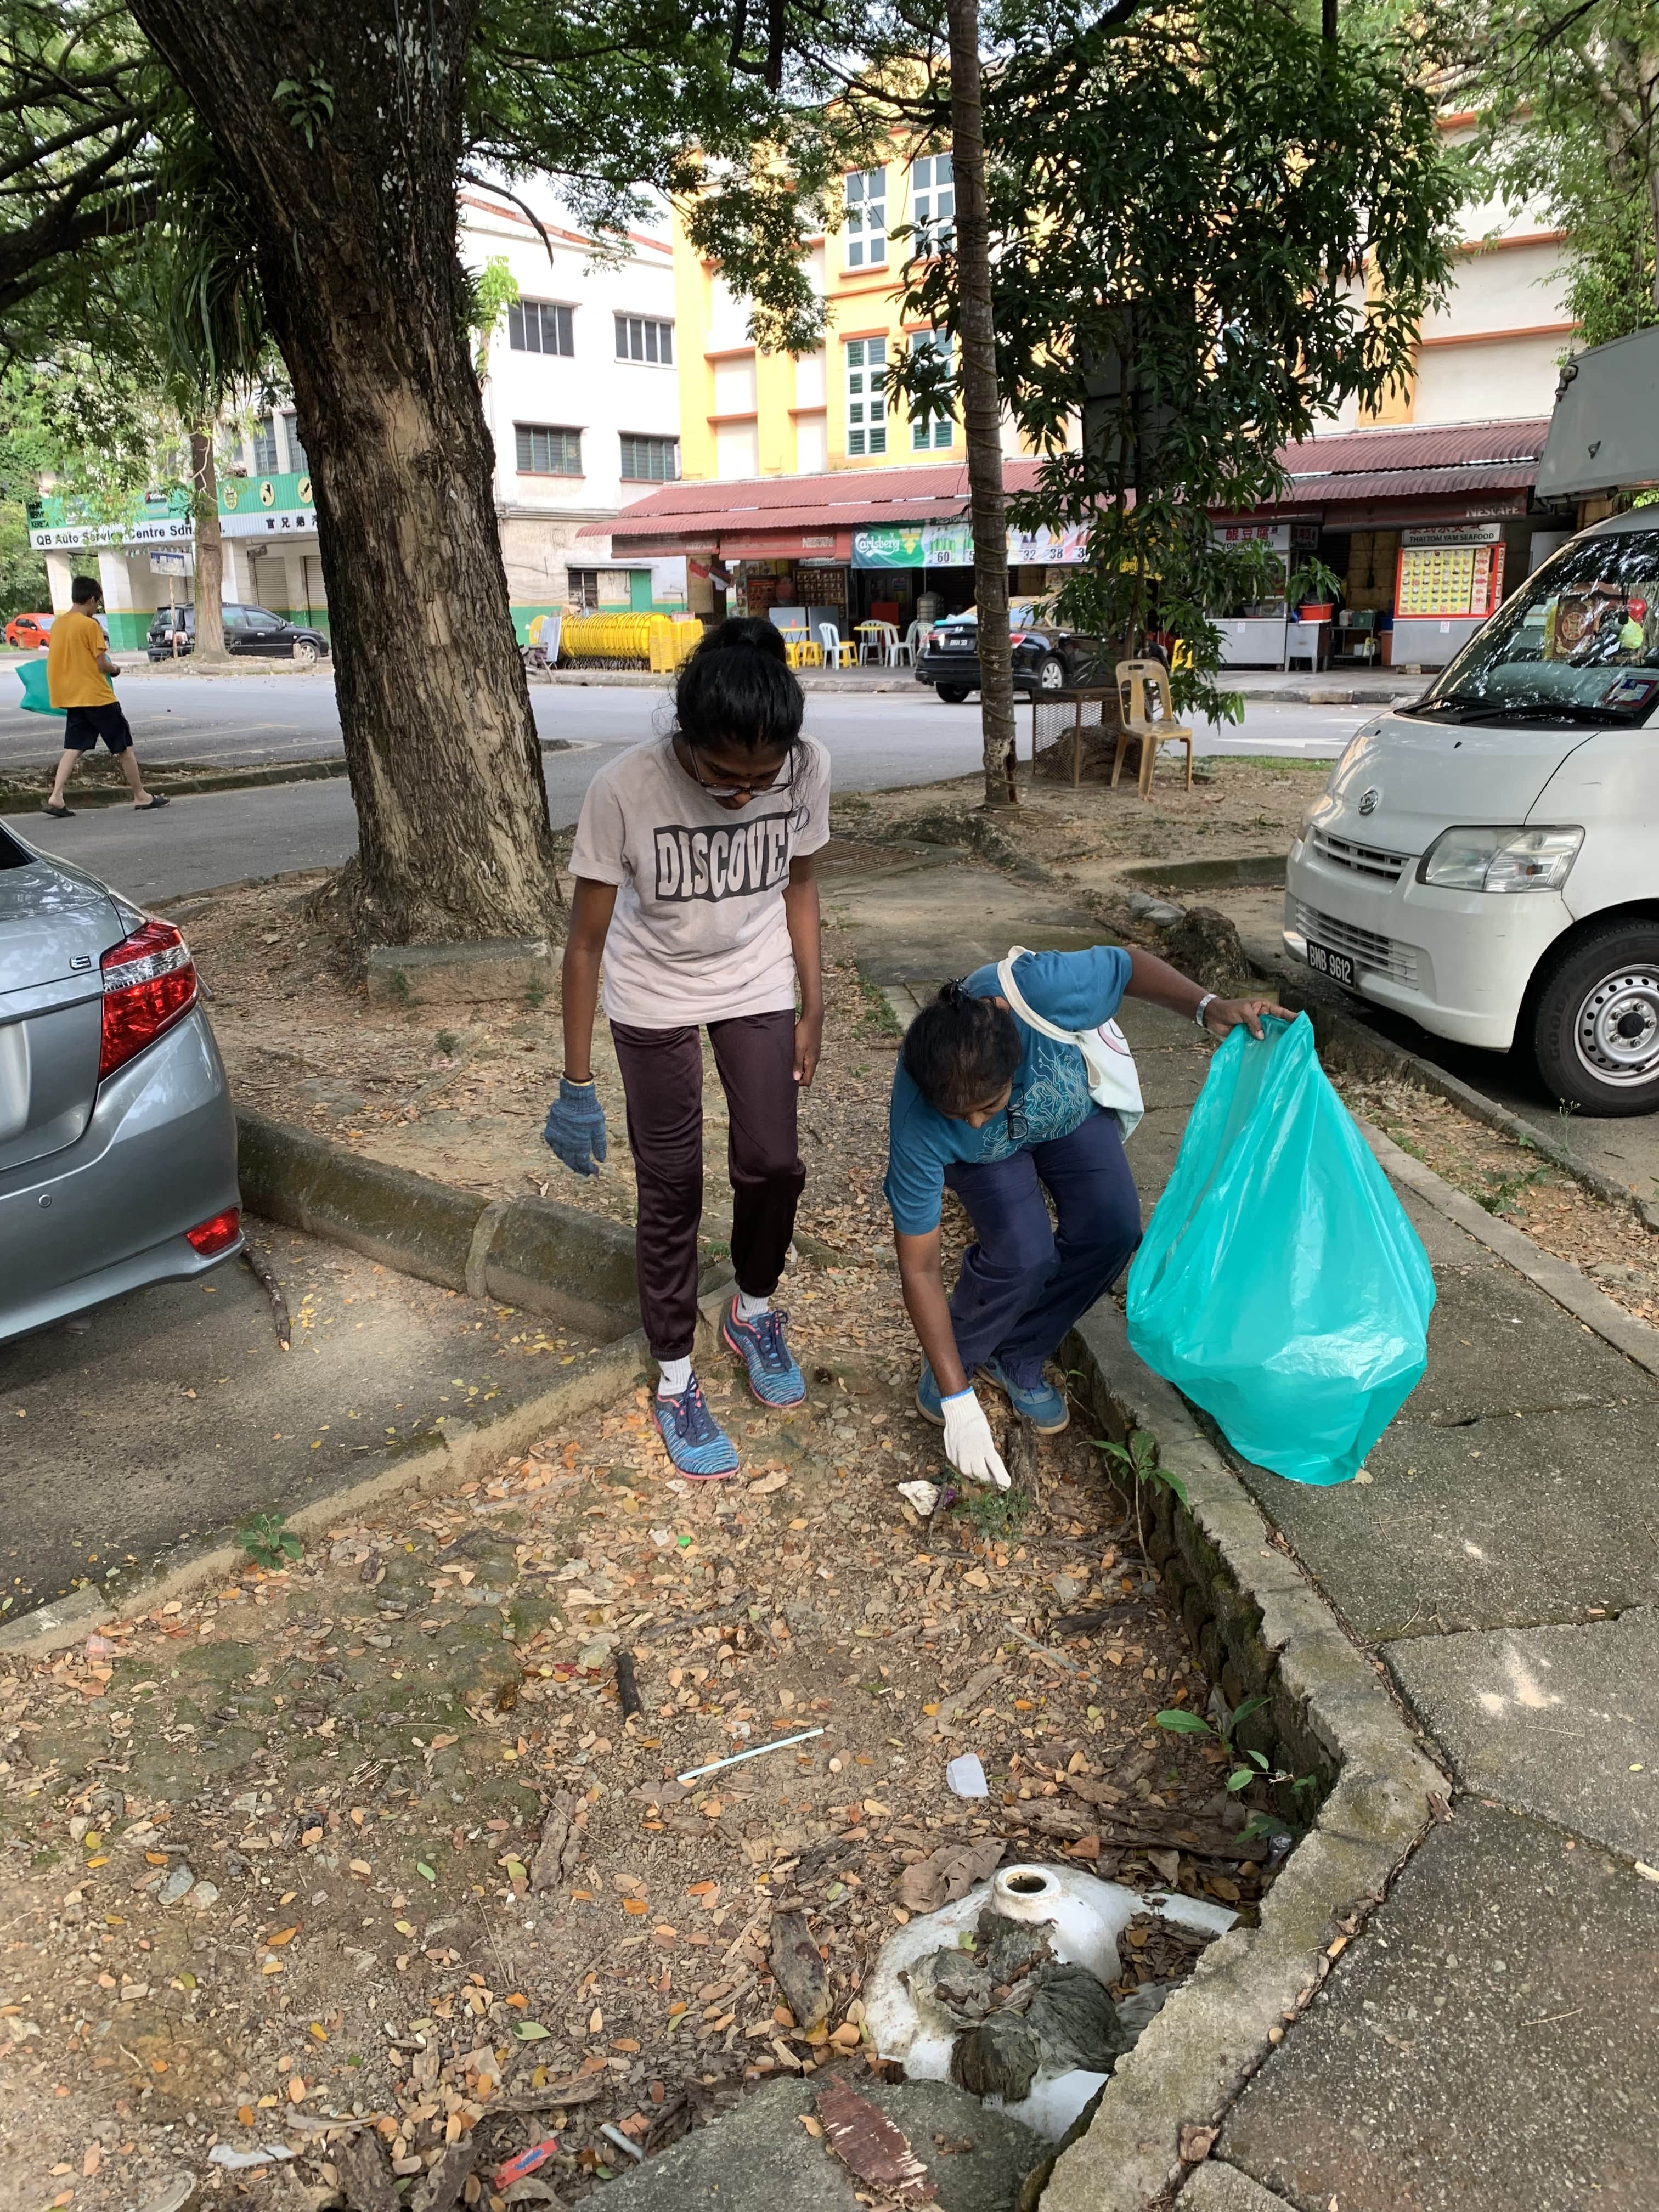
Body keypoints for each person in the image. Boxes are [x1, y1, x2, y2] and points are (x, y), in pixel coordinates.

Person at [546, 618, 828, 1479]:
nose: (744, 796)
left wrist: (814, 1004)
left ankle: (752, 1310)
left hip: (754, 976)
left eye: (761, 779)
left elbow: (801, 886)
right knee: (671, 1186)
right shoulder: (624, 790)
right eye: (724, 776)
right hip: (654, 988)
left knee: (773, 1165)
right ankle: (675, 1376)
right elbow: (585, 944)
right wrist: (576, 1082)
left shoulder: (808, 768)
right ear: (687, 737)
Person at [886, 946, 1292, 1487]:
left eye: (987, 1104)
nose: (977, 1121)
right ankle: (959, 1358)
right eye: (959, 1115)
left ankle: (1020, 1351)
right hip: (986, 1162)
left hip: (1065, 1115)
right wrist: (957, 1400)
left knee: (1114, 1228)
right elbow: (919, 1267)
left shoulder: (1042, 990)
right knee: (1023, 1253)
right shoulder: (918, 1121)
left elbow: (1127, 965)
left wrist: (1207, 1007)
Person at [42, 577, 167, 818]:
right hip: (98, 697)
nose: (96, 608)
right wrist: (116, 669)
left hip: (74, 697)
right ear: (91, 599)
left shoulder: (58, 625)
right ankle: (141, 796)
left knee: (74, 748)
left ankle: (56, 796)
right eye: (97, 603)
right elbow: (101, 664)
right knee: (123, 748)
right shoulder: (90, 626)